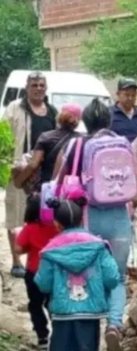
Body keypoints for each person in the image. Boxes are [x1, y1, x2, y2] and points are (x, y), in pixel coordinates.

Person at [53, 98, 137, 351]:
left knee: (86, 276)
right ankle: (114, 325)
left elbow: (59, 183)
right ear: (108, 121)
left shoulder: (77, 144)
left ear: (86, 121)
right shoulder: (123, 143)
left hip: (88, 217)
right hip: (119, 216)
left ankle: (86, 340)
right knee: (116, 276)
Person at [35, 198, 120, 351]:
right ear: (83, 219)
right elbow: (113, 278)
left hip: (63, 311)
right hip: (91, 311)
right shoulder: (99, 246)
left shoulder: (51, 250)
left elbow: (43, 283)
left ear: (57, 224)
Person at [3, 72, 58, 278]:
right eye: (34, 85)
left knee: (43, 216)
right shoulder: (14, 108)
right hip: (19, 170)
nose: (38, 88)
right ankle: (17, 261)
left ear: (46, 88)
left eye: (41, 85)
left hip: (44, 173)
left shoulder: (52, 111)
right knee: (15, 215)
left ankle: (39, 258)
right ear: (27, 87)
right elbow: (4, 138)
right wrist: (8, 164)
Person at [13, 195, 59, 349]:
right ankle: (59, 331)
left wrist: (29, 248)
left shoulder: (29, 228)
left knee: (35, 304)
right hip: (54, 273)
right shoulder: (55, 226)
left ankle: (42, 336)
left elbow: (18, 249)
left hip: (34, 273)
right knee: (53, 303)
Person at [14, 103, 82, 193]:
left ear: (60, 117)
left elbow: (33, 164)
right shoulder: (81, 140)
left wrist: (18, 181)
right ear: (78, 121)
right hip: (70, 190)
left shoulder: (46, 137)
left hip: (47, 188)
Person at [110, 78, 137, 142]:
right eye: (127, 95)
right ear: (118, 94)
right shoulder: (109, 114)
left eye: (133, 95)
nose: (130, 98)